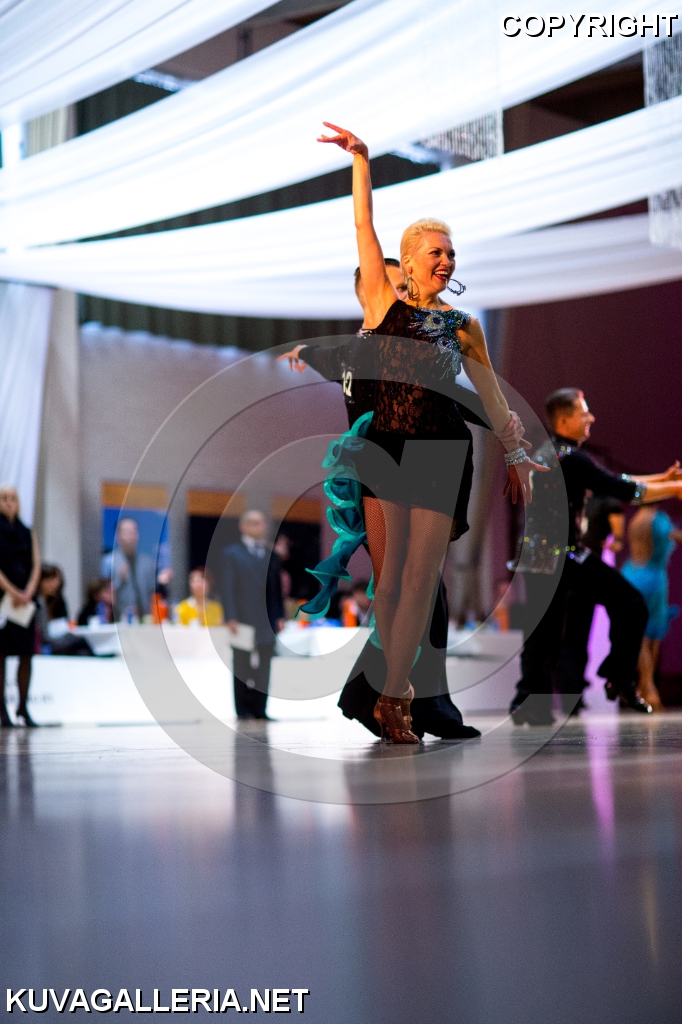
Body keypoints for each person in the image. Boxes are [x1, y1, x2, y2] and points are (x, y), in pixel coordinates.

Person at [286, 123, 538, 744]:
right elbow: (362, 225)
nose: (446, 261)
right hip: (382, 452)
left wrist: (515, 454)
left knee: (421, 584)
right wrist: (361, 162)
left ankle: (395, 698)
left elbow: (490, 396)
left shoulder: (464, 324)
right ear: (410, 258)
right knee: (391, 580)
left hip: (440, 453)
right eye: (436, 253)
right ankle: (389, 691)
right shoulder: (382, 303)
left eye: (451, 254)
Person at [281, 257, 507, 739]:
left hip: (397, 478)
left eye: (406, 286)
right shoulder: (367, 349)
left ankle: (387, 701)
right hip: (377, 484)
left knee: (421, 594)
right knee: (419, 594)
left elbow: (443, 395)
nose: (405, 293)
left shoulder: (366, 347)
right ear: (369, 290)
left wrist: (301, 350)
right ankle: (398, 702)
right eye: (396, 285)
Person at [510, 388, 682, 725]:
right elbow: (619, 488)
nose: (591, 417)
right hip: (559, 556)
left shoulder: (556, 453)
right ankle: (617, 677)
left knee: (545, 632)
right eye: (583, 412)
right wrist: (674, 488)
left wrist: (662, 480)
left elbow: (611, 481)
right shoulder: (569, 458)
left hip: (546, 554)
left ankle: (529, 701)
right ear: (564, 420)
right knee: (627, 605)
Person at [221, 510, 285, 720]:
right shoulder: (231, 554)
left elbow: (276, 589)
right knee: (241, 664)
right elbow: (227, 587)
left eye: (261, 523)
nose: (259, 527)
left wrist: (280, 615)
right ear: (243, 526)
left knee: (265, 665)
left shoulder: (271, 554)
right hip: (241, 618)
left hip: (267, 618)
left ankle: (260, 709)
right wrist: (230, 616)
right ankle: (243, 710)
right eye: (254, 523)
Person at [622, 506, 682, 711]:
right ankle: (649, 688)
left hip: (632, 573)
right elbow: (673, 536)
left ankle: (643, 687)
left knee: (640, 636)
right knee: (652, 637)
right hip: (654, 579)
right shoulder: (659, 520)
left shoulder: (636, 520)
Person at [0, 485, 41, 727]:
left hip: (25, 602)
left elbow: (36, 564)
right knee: (2, 655)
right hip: (4, 601)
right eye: (4, 498)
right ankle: (2, 710)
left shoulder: (27, 531)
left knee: (26, 654)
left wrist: (28, 592)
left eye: (13, 498)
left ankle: (23, 707)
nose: (9, 502)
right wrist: (13, 592)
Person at [101, 518, 172, 621]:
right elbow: (103, 594)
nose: (131, 536)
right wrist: (119, 579)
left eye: (134, 532)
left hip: (147, 618)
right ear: (118, 536)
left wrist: (161, 582)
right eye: (127, 532)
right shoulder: (109, 562)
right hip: (119, 619)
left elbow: (155, 592)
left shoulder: (148, 562)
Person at [35, 564, 93, 656]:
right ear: (40, 582)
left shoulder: (55, 601)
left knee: (82, 651)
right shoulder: (39, 603)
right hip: (45, 646)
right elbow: (44, 636)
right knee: (81, 641)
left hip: (52, 640)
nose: (54, 584)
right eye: (49, 580)